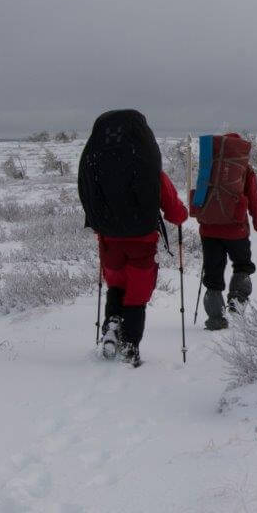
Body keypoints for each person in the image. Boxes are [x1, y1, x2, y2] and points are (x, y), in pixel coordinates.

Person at [77, 110, 188, 365]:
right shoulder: (148, 167)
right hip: (141, 241)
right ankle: (130, 346)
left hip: (109, 241)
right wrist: (181, 217)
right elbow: (172, 208)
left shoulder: (96, 164)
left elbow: (88, 196)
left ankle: (113, 323)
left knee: (116, 285)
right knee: (137, 294)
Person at [192, 132, 257, 330]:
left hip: (209, 231)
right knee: (243, 266)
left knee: (212, 274)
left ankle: (215, 319)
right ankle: (237, 303)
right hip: (236, 230)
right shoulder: (245, 169)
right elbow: (255, 202)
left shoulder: (209, 166)